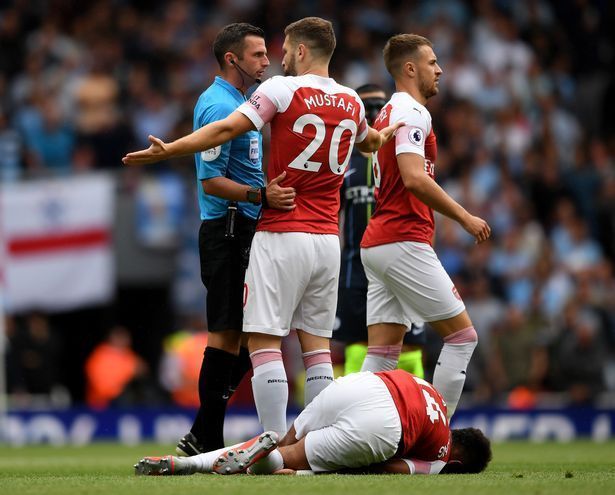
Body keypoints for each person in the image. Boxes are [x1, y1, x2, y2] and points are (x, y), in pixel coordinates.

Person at [123, 17, 401, 437]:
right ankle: (314, 442)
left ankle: (272, 445)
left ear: (302, 51)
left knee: (264, 342)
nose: (279, 58)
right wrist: (388, 132)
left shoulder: (280, 90)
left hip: (282, 230)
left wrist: (170, 150)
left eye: (285, 49)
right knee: (317, 349)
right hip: (328, 238)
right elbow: (369, 143)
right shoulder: (353, 101)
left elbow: (227, 128)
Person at [172, 23, 296, 456]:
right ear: (232, 59)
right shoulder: (215, 106)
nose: (267, 61)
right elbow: (211, 181)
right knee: (226, 336)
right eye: (259, 54)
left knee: (251, 335)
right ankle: (206, 433)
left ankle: (203, 431)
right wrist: (261, 195)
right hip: (226, 229)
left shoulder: (243, 104)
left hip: (245, 227)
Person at [359, 34, 491, 418]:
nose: (440, 70)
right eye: (433, 62)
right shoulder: (413, 112)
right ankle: (436, 435)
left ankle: (347, 428)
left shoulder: (386, 114)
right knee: (463, 337)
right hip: (402, 239)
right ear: (410, 69)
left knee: (382, 356)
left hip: (379, 243)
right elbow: (414, 178)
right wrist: (464, 217)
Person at [134, 369, 492, 476]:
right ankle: (271, 464)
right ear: (459, 461)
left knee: (284, 442)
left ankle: (188, 462)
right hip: (384, 424)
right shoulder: (443, 455)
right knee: (287, 461)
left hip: (361, 384)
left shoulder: (434, 395)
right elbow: (392, 470)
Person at [336, 83, 425, 377]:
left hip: (400, 261)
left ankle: (415, 418)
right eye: (366, 107)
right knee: (358, 347)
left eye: (379, 106)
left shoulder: (403, 158)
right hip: (354, 270)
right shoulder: (341, 163)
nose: (374, 113)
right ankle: (355, 415)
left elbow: (424, 208)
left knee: (410, 348)